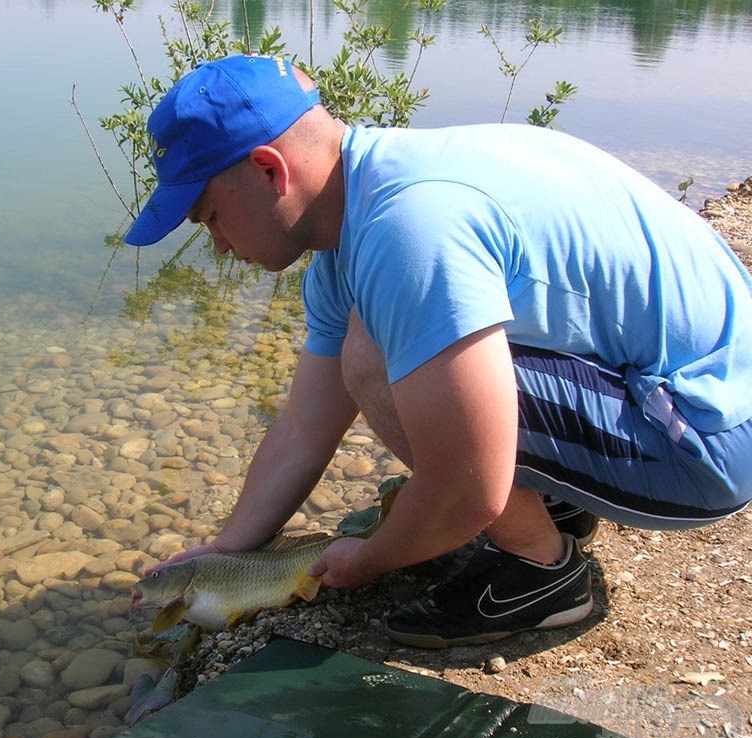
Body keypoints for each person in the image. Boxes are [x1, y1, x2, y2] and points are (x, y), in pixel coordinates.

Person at [123, 54, 752, 648]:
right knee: (400, 346)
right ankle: (558, 499)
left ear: (269, 169)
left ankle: (542, 573)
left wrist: (368, 559)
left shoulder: (410, 229)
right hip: (687, 383)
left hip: (709, 439)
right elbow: (300, 430)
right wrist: (228, 552)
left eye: (209, 218)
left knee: (375, 360)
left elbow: (465, 491)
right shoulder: (369, 202)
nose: (219, 247)